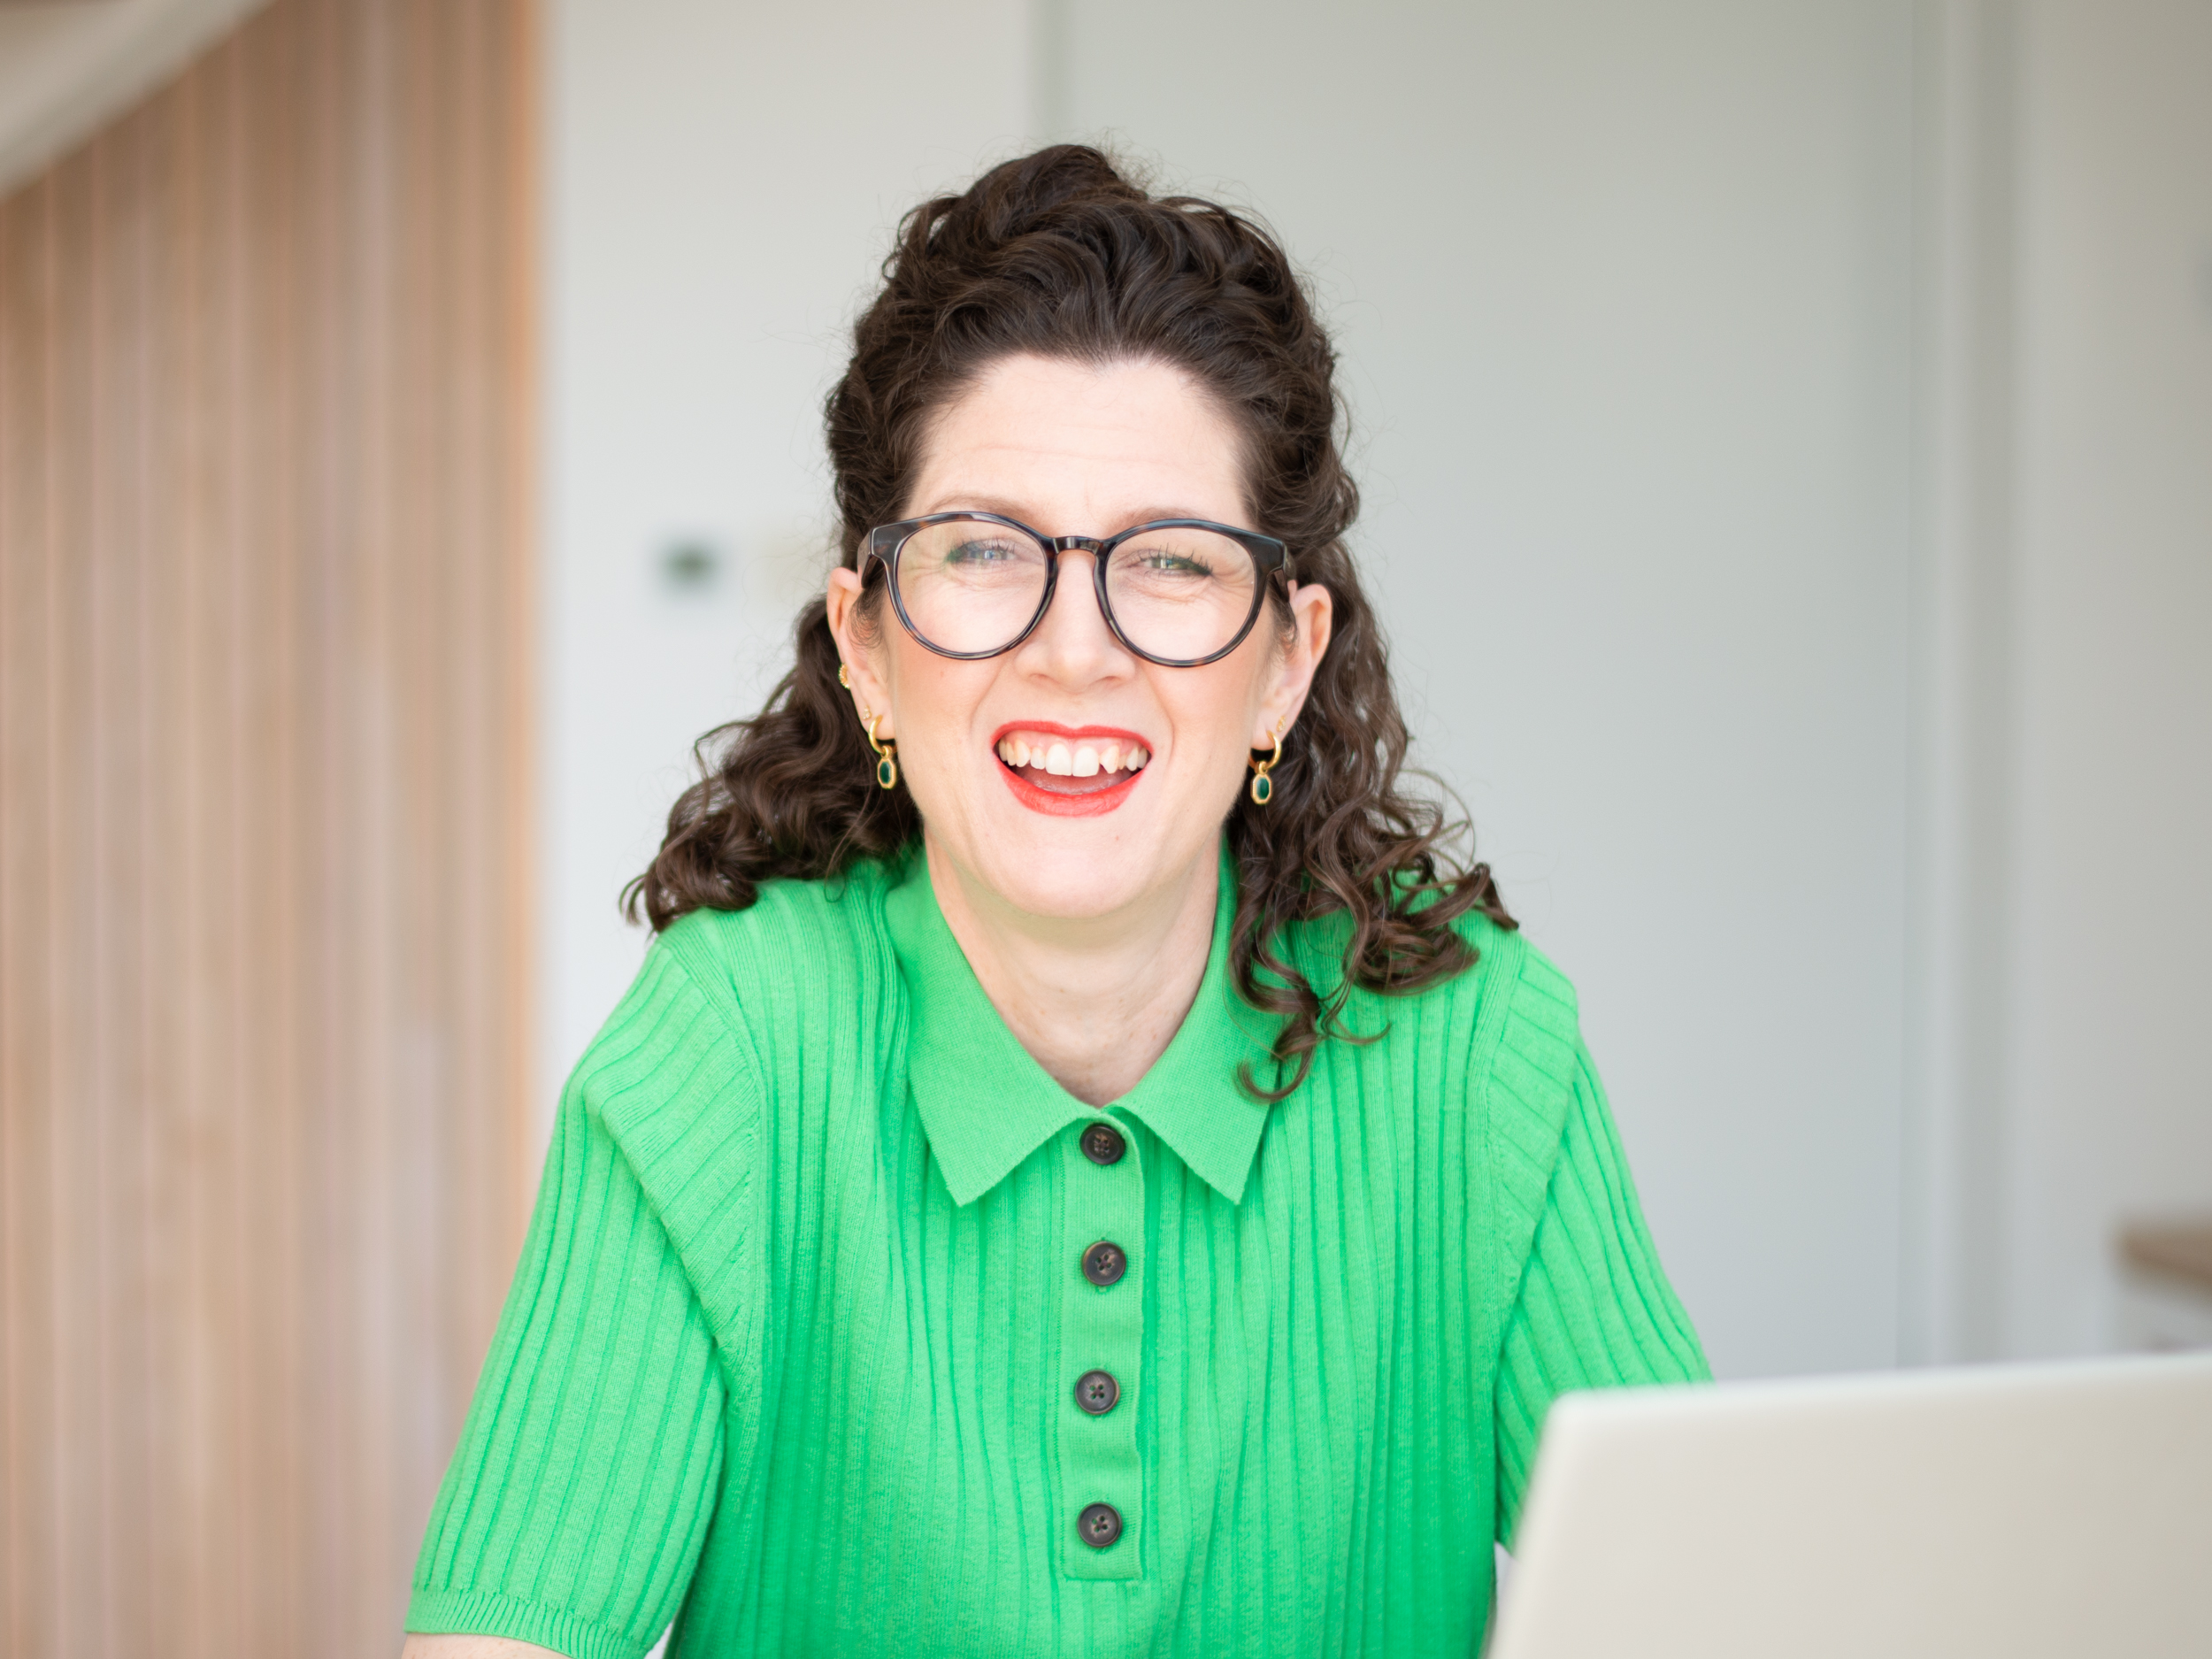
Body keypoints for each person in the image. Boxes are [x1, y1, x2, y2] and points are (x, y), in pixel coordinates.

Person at [400, 145, 1705, 1659]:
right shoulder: (731, 1048)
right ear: (870, 646)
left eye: (1166, 561)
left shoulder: (1481, 1053)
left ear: (1285, 660)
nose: (1074, 652)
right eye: (982, 550)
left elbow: (1721, 1606)